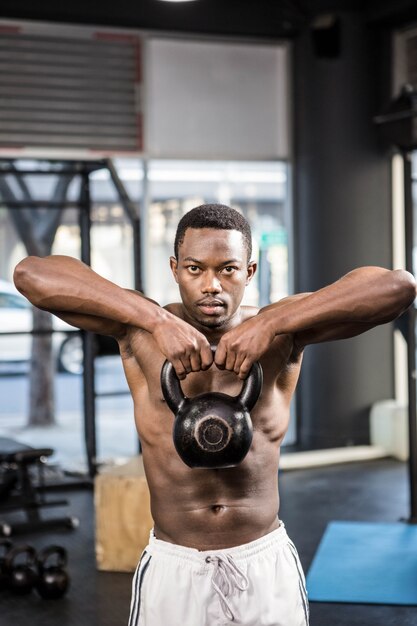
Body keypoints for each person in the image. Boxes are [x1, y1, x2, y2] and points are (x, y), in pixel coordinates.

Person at [13, 204, 415, 626]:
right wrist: (155, 319)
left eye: (228, 269)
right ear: (174, 268)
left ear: (250, 271)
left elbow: (397, 287)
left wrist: (271, 322)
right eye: (194, 268)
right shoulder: (140, 330)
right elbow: (30, 274)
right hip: (175, 567)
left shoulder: (283, 333)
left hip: (262, 562)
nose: (211, 285)